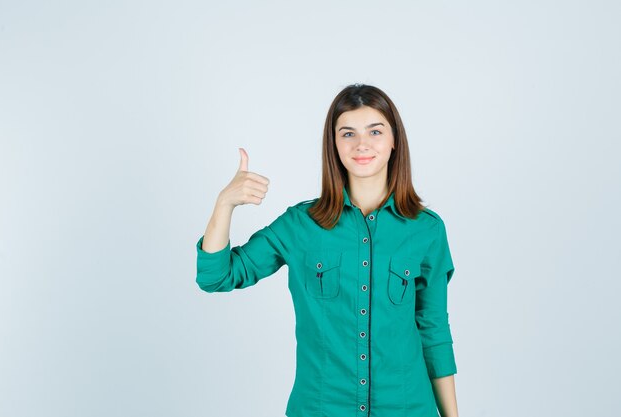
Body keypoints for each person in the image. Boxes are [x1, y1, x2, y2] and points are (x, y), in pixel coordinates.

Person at [195, 83, 460, 417]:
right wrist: (225, 204)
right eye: (347, 133)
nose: (362, 144)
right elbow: (216, 276)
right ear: (334, 145)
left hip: (407, 407)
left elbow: (433, 329)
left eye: (375, 131)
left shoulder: (427, 230)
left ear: (395, 140)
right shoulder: (300, 225)